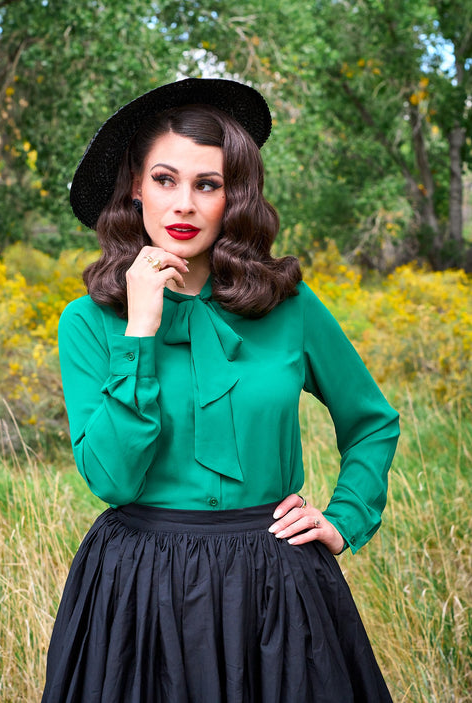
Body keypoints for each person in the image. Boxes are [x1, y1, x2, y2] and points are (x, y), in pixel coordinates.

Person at [41, 78, 400, 703]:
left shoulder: (288, 307)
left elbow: (372, 422)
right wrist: (141, 329)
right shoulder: (88, 322)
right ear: (135, 186)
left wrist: (345, 518)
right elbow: (113, 480)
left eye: (207, 184)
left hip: (276, 583)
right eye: (164, 179)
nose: (184, 204)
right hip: (138, 591)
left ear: (233, 197)